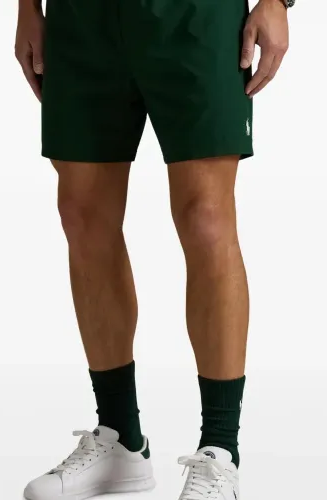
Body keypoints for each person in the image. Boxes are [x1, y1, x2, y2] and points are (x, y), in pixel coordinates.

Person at [15, 0, 291, 498]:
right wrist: (27, 7)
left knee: (206, 218)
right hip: (82, 18)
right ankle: (120, 439)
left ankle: (220, 449)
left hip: (198, 16)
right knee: (82, 213)